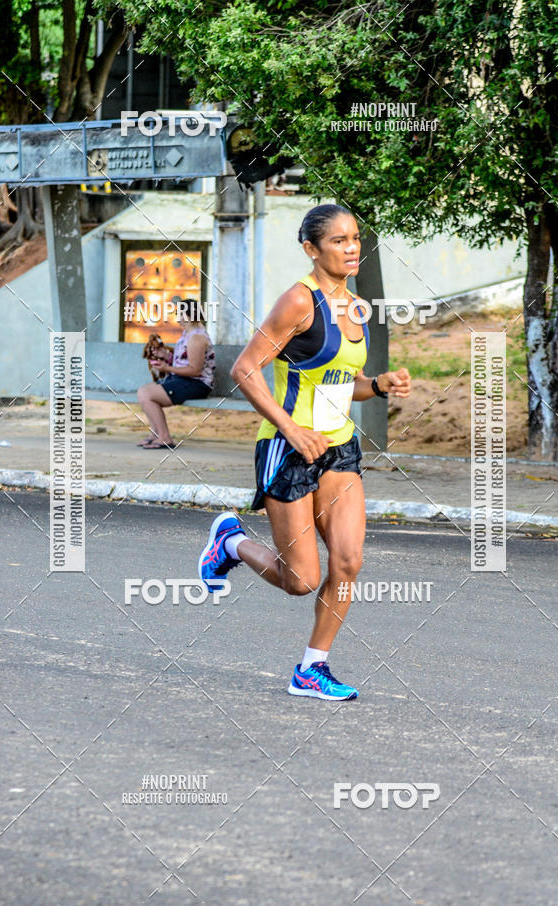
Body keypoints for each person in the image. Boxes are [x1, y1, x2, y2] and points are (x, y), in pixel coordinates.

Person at [198, 204, 411, 700]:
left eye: (355, 238)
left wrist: (377, 385)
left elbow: (338, 384)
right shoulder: (299, 301)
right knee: (300, 579)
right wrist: (291, 428)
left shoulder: (355, 306)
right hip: (287, 449)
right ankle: (229, 543)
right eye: (339, 240)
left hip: (339, 451)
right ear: (311, 249)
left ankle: (311, 668)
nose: (352, 247)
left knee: (348, 562)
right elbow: (246, 369)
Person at [137, 298, 215, 449]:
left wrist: (167, 368)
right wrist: (165, 356)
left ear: (191, 316)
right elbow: (183, 361)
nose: (178, 319)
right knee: (143, 392)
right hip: (183, 380)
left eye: (181, 315)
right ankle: (156, 434)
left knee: (146, 394)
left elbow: (195, 370)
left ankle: (164, 437)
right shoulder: (188, 333)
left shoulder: (197, 338)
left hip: (196, 384)